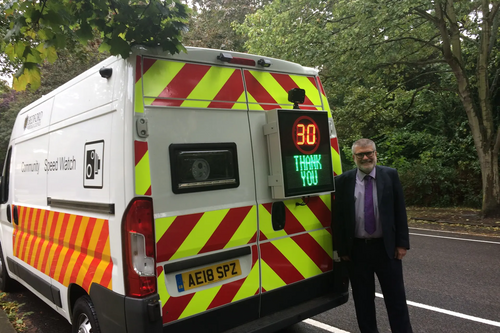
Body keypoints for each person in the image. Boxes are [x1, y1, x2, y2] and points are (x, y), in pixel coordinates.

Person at [333, 138, 412, 333]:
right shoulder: (342, 181)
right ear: (354, 157)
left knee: (396, 301)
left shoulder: (390, 176)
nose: (365, 157)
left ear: (376, 154)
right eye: (360, 154)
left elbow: (399, 210)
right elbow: (338, 218)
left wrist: (402, 244)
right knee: (363, 301)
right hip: (357, 251)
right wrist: (341, 250)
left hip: (387, 249)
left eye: (369, 153)